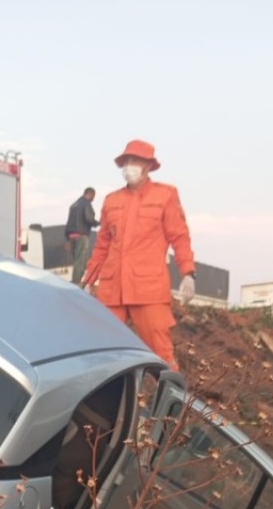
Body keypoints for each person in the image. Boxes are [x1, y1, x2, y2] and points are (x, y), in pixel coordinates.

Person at [82, 140, 196, 367]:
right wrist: (88, 279)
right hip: (113, 290)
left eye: (135, 161)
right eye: (126, 161)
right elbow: (102, 244)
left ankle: (171, 400)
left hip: (148, 290)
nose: (129, 166)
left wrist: (188, 273)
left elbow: (179, 236)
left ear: (148, 166)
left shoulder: (165, 196)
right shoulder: (112, 201)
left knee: (161, 356)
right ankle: (115, 402)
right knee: (105, 355)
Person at [65, 187, 99, 286]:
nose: (93, 199)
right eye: (93, 197)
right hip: (81, 235)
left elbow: (68, 223)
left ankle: (75, 280)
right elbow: (89, 219)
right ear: (90, 194)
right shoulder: (86, 204)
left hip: (71, 236)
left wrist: (67, 239)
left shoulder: (73, 205)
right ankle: (77, 283)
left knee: (76, 260)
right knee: (81, 261)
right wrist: (97, 223)